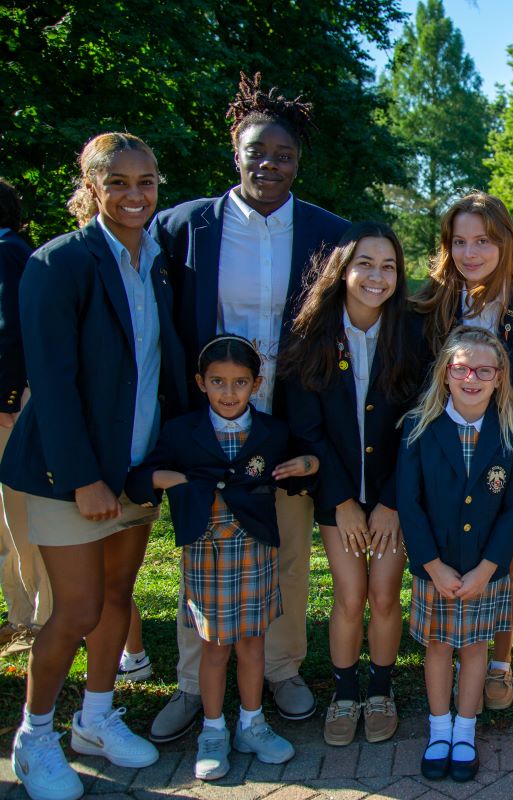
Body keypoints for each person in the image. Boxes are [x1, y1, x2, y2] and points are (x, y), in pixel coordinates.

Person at [147, 72, 350, 742]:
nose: (270, 164)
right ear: (235, 152)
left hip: (286, 422)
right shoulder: (183, 227)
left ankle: (283, 670)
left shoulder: (329, 233)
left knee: (285, 551)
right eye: (257, 151)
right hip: (205, 426)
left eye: (283, 154)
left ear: (299, 161)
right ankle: (191, 682)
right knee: (200, 551)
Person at [0, 132, 188, 800]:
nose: (136, 195)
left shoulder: (158, 261)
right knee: (75, 609)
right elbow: (51, 384)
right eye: (119, 183)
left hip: (136, 468)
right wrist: (83, 478)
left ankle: (96, 719)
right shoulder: (58, 263)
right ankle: (34, 737)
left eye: (146, 182)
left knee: (116, 598)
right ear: (91, 186)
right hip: (69, 475)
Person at [127, 335, 318, 780]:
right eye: (217, 382)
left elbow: (304, 465)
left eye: (240, 382)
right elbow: (142, 477)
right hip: (206, 554)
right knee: (214, 648)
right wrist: (169, 479)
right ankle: (213, 731)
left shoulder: (272, 431)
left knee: (253, 643)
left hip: (255, 553)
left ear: (256, 384)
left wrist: (307, 465)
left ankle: (252, 724)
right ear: (201, 382)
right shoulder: (182, 431)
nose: (229, 393)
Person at [410, 191, 513, 710]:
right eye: (459, 241)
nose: (470, 252)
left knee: (504, 558)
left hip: (512, 458)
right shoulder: (433, 300)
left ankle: (498, 662)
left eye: (483, 241)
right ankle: (446, 652)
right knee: (446, 550)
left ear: (505, 242)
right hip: (443, 458)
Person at [279, 223, 421, 745]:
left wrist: (391, 503)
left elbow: (418, 426)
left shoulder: (412, 334)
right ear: (342, 269)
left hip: (391, 497)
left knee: (383, 595)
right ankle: (343, 694)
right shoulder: (310, 334)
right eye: (365, 263)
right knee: (350, 594)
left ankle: (380, 690)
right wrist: (340, 500)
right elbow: (306, 429)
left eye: (389, 266)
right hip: (336, 493)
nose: (377, 276)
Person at [397, 327, 513, 783]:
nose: (471, 378)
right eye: (461, 369)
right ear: (445, 374)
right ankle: (439, 731)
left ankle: (465, 733)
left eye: (484, 371)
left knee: (475, 647)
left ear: (499, 377)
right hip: (434, 566)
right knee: (438, 646)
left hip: (484, 568)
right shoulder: (419, 426)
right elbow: (409, 503)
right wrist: (432, 565)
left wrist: (488, 568)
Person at [0, 178, 50, 653]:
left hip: (11, 406)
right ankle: (19, 613)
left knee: (21, 516)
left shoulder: (9, 252)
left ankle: (37, 618)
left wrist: (8, 399)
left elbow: (13, 330)